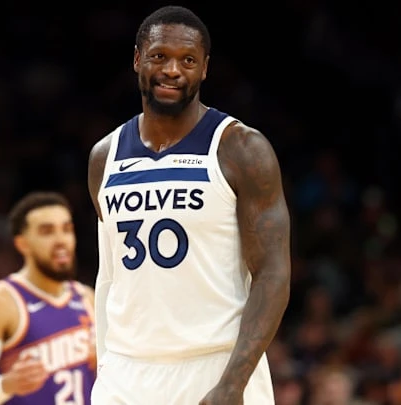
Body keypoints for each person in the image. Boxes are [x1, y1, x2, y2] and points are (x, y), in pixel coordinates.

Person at [87, 5, 291, 405]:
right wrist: (106, 368)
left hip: (215, 365)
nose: (172, 70)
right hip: (127, 373)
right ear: (137, 59)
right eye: (159, 56)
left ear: (205, 69)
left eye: (188, 60)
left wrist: (235, 381)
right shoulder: (104, 156)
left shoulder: (240, 148)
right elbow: (109, 276)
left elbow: (273, 273)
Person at [0, 191, 96, 405]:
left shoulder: (88, 298)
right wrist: (7, 385)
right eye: (47, 232)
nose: (61, 240)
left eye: (67, 229)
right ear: (22, 244)